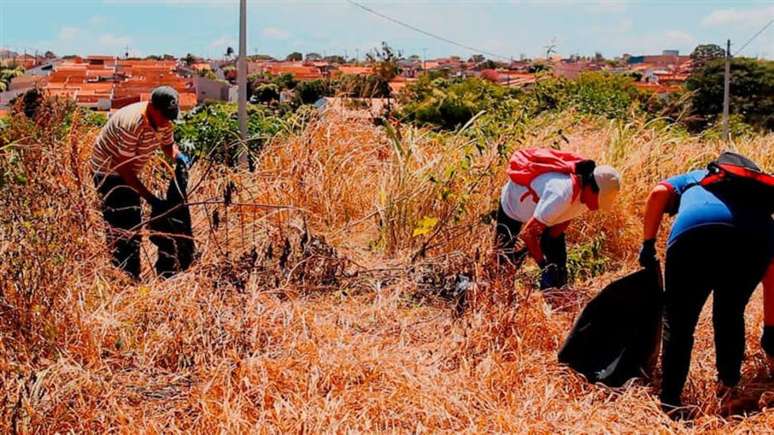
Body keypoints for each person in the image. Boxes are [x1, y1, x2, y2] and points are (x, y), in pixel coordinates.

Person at [638, 154, 774, 413]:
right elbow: (772, 279)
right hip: (757, 241)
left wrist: (648, 245)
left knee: (679, 321)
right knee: (730, 313)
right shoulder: (759, 200)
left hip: (696, 234)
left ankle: (671, 401)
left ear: (718, 169)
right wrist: (771, 332)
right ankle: (728, 389)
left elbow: (658, 192)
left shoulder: (698, 176)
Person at [91, 86, 191, 279]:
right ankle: (123, 276)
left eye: (170, 116)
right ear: (152, 107)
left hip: (127, 169)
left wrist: (178, 157)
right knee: (124, 223)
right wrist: (151, 199)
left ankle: (129, 272)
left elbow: (168, 145)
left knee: (132, 221)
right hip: (107, 172)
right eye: (164, 115)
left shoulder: (165, 121)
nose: (167, 121)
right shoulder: (132, 124)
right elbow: (123, 170)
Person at [495, 149, 622, 289]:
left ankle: (555, 294)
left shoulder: (586, 200)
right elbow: (528, 234)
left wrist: (552, 264)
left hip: (545, 214)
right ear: (591, 189)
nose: (599, 206)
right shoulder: (561, 194)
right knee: (502, 265)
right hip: (513, 205)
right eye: (600, 199)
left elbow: (557, 229)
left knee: (559, 271)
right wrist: (543, 265)